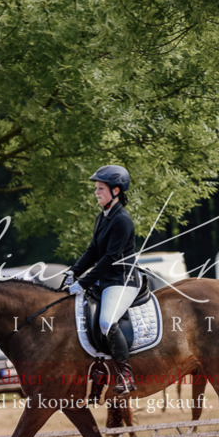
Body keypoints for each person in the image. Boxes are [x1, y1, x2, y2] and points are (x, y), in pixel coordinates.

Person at [64, 166, 140, 394]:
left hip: (122, 281)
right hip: (105, 280)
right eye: (96, 188)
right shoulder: (103, 217)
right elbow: (94, 251)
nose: (96, 193)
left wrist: (84, 282)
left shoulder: (122, 221)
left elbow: (110, 258)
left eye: (100, 189)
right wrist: (74, 271)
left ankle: (126, 376)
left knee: (107, 322)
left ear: (116, 190)